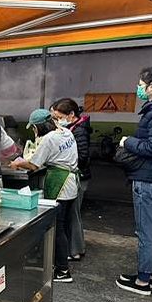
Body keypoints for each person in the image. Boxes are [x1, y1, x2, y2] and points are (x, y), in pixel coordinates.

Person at [11, 109, 78, 283]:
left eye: (33, 128)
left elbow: (33, 165)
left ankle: (63, 271)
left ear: (38, 126)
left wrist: (17, 164)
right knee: (65, 226)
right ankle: (62, 261)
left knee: (58, 229)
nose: (33, 132)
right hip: (71, 182)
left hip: (60, 183)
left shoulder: (49, 139)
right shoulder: (66, 132)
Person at [116, 67, 152, 296]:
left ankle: (143, 282)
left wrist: (128, 142)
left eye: (140, 84)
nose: (138, 88)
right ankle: (150, 275)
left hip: (148, 181)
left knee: (146, 232)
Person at [51, 98, 92, 261]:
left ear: (71, 114)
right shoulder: (75, 128)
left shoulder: (79, 131)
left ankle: (74, 250)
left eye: (59, 117)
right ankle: (75, 248)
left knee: (73, 216)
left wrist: (66, 161)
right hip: (76, 176)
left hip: (79, 177)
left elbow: (82, 157)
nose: (57, 120)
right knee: (73, 215)